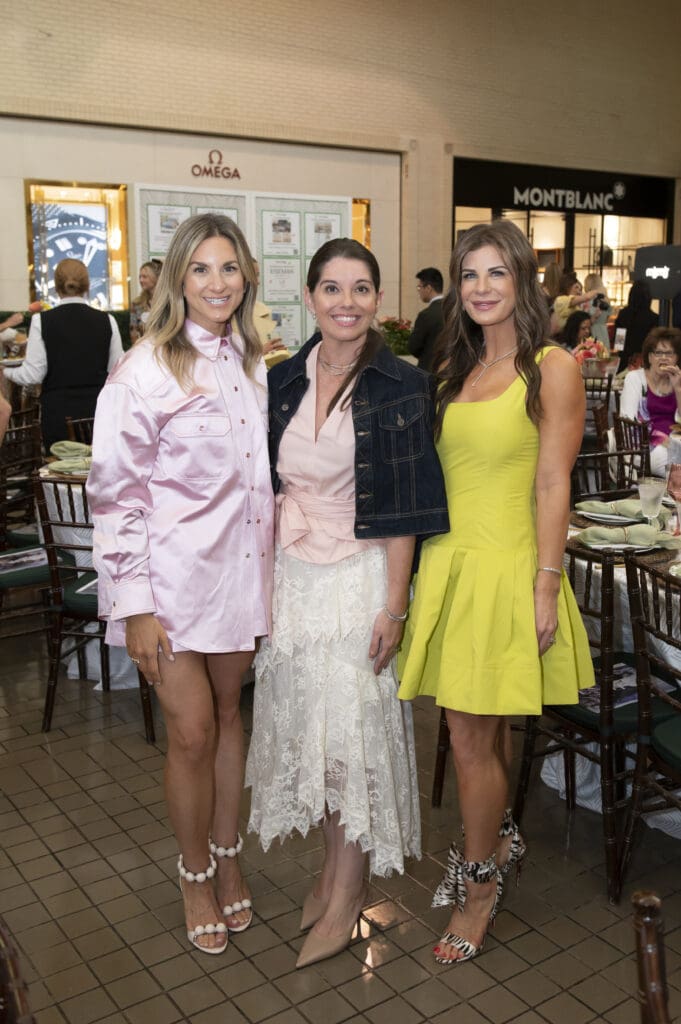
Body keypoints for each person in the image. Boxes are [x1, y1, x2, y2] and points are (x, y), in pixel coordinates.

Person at [246, 238, 448, 968]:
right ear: (308, 296)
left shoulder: (401, 384)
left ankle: (348, 890)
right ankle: (330, 872)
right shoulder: (278, 380)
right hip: (293, 580)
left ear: (377, 299)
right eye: (331, 288)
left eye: (361, 289)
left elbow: (407, 509)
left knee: (354, 740)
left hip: (362, 579)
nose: (346, 303)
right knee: (314, 738)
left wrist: (394, 607)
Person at [398, 220, 594, 967]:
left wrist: (546, 583)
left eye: (494, 274)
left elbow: (553, 482)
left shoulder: (552, 366)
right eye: (468, 275)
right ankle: (499, 837)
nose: (479, 288)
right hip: (450, 565)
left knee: (468, 739)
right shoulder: (456, 364)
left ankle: (479, 886)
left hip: (510, 567)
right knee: (484, 731)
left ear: (520, 280)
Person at [86, 214, 274, 955]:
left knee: (231, 717)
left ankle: (229, 860)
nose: (217, 283)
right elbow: (116, 499)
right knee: (190, 734)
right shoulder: (142, 373)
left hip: (240, 581)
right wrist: (133, 607)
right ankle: (194, 871)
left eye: (229, 268)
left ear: (246, 277)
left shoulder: (253, 366)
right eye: (200, 269)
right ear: (176, 280)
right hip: (166, 591)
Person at [1, 260, 123, 451]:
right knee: (100, 472)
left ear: (56, 286)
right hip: (99, 413)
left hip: (58, 413)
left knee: (60, 475)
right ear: (87, 285)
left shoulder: (41, 321)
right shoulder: (108, 321)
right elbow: (118, 371)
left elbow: (33, 375)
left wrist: (6, 372)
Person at [619, 326, 681, 476]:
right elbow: (628, 422)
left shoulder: (678, 379)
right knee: (674, 468)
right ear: (649, 357)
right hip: (644, 446)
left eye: (669, 353)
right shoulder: (635, 379)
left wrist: (678, 388)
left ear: (677, 357)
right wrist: (661, 439)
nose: (664, 358)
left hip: (676, 443)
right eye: (658, 352)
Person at [615, 281, 659, 372]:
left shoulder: (623, 315)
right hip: (645, 361)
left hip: (625, 360)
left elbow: (619, 343)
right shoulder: (654, 318)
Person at [407, 267, 445, 371]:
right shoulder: (454, 312)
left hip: (429, 372)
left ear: (428, 288)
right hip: (453, 372)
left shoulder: (426, 315)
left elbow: (413, 347)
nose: (419, 291)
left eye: (419, 287)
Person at [129, 259, 162, 343]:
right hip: (144, 350)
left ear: (155, 278)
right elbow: (133, 330)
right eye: (140, 277)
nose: (141, 280)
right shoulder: (137, 303)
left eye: (144, 277)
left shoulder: (168, 303)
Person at [584, 273, 612, 347]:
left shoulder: (587, 301)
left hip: (591, 331)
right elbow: (607, 319)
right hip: (603, 331)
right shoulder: (606, 301)